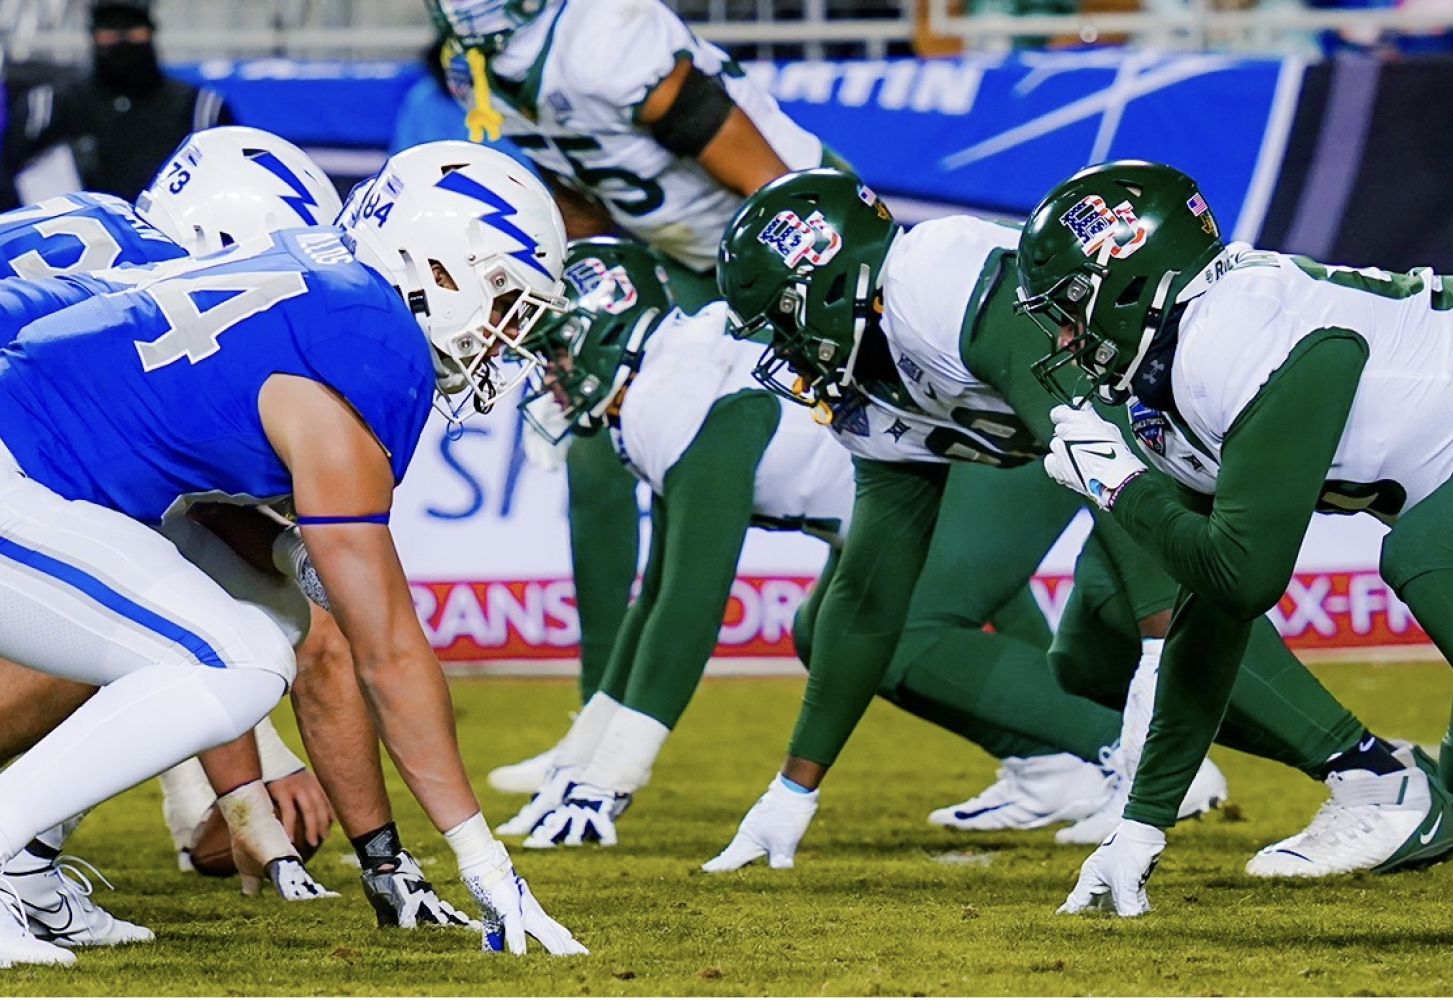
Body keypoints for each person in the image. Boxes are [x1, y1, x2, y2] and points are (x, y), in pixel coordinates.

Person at [0, 140, 585, 966]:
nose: (507, 334)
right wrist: (482, 857)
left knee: (260, 607)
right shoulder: (371, 353)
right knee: (236, 661)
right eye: (505, 299)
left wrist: (290, 562)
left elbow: (224, 536)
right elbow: (385, 650)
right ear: (440, 265)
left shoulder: (321, 282)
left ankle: (8, 860)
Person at [701, 168, 1409, 874]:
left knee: (1175, 595)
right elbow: (870, 588)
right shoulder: (868, 385)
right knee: (1089, 650)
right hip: (1127, 440)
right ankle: (1366, 767)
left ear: (828, 284)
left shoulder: (933, 283)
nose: (786, 355)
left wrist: (1160, 647)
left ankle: (1374, 776)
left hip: (1207, 402)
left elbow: (1105, 442)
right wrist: (793, 788)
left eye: (783, 322)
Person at [426, 0, 857, 798]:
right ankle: (597, 720)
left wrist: (823, 276)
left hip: (781, 235)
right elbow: (583, 198)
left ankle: (1035, 724)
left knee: (905, 453)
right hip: (677, 258)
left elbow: (767, 179)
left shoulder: (602, 37)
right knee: (593, 449)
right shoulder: (470, 63)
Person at [1015, 159, 1453, 915]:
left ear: (1128, 279)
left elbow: (1248, 576)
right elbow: (1213, 612)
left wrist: (1118, 487)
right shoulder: (1171, 371)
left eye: (1069, 305)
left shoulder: (1232, 332)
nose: (1063, 332)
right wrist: (1141, 825)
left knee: (1422, 552)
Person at [0, 0, 234, 214]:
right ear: (93, 34)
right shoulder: (45, 109)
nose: (122, 41)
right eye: (110, 30)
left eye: (133, 29)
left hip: (175, 257)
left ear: (151, 30)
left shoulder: (200, 111)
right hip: (71, 257)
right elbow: (3, 202)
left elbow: (231, 194)